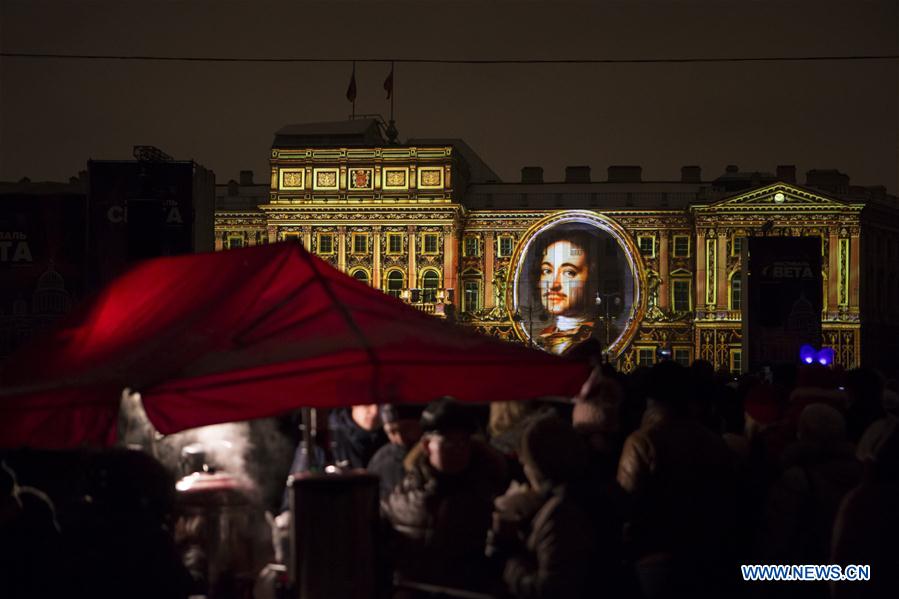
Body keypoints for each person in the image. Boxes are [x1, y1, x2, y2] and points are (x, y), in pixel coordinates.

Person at [383, 397, 509, 591]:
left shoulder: (489, 494)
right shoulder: (405, 494)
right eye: (449, 443)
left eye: (463, 442)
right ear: (427, 446)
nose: (459, 451)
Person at [532, 231, 599, 355]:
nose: (553, 285)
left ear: (594, 281)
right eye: (547, 271)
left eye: (569, 272)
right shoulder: (542, 337)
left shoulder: (601, 337)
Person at [367, 404, 424, 499]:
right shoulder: (380, 461)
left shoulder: (434, 453)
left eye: (407, 428)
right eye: (392, 432)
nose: (401, 437)